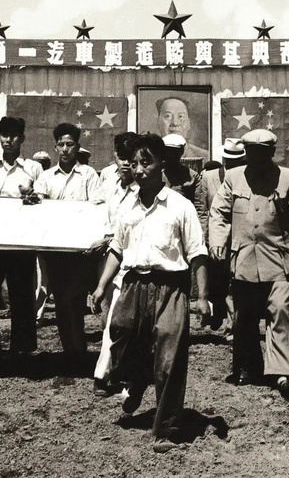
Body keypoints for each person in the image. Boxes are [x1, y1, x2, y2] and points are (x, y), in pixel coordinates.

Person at [91, 133, 209, 453]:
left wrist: (202, 297)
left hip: (171, 287)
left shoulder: (180, 206)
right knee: (121, 332)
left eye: (147, 162)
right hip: (133, 285)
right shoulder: (127, 205)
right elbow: (117, 249)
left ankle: (167, 428)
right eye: (134, 163)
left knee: (170, 358)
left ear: (162, 164)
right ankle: (138, 378)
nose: (139, 169)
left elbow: (198, 253)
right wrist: (101, 287)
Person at [210, 129, 289, 396]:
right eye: (252, 153)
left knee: (280, 309)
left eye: (262, 153)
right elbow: (218, 212)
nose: (256, 159)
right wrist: (217, 241)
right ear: (246, 153)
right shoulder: (233, 177)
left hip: (279, 258)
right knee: (245, 316)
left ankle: (285, 373)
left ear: (272, 153)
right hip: (243, 258)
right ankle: (247, 367)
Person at [0, 116, 42, 357]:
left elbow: (41, 200)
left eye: (13, 135)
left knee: (21, 293)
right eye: (4, 135)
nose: (8, 140)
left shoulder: (33, 168)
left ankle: (21, 348)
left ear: (22, 138)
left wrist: (32, 196)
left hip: (20, 239)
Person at [38, 123, 103, 365]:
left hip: (79, 251)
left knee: (75, 299)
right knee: (61, 301)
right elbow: (39, 205)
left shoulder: (88, 174)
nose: (65, 149)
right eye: (61, 145)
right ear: (55, 147)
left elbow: (96, 205)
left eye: (70, 144)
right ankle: (69, 350)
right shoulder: (46, 177)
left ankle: (78, 350)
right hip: (55, 250)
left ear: (77, 147)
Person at [92, 132, 140, 396]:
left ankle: (104, 374)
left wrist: (111, 239)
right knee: (109, 317)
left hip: (133, 261)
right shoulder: (109, 184)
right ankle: (117, 370)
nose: (126, 164)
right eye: (121, 157)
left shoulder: (144, 190)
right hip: (107, 260)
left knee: (120, 320)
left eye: (131, 158)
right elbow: (95, 212)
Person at [195, 138, 246, 339]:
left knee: (235, 281)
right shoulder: (208, 176)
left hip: (239, 237)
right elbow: (203, 208)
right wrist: (207, 237)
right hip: (215, 238)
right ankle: (218, 314)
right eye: (229, 158)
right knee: (217, 280)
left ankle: (233, 325)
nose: (232, 162)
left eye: (236, 159)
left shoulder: (246, 176)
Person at [161, 134, 199, 204]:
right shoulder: (156, 174)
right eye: (168, 151)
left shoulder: (192, 176)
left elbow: (199, 205)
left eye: (174, 152)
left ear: (181, 152)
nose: (170, 155)